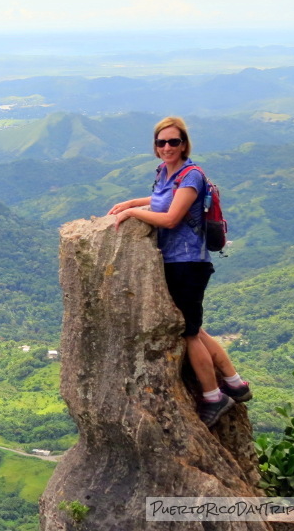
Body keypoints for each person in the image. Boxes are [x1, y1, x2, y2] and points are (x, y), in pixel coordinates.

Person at [108, 116, 251, 428]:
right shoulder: (165, 172)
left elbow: (172, 217)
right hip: (175, 262)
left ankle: (214, 396)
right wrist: (133, 201)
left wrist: (133, 212)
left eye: (174, 141)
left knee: (187, 333)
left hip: (188, 263)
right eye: (162, 142)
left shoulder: (191, 176)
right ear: (156, 147)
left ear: (184, 143)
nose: (167, 147)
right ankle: (235, 382)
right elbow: (162, 200)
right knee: (194, 327)